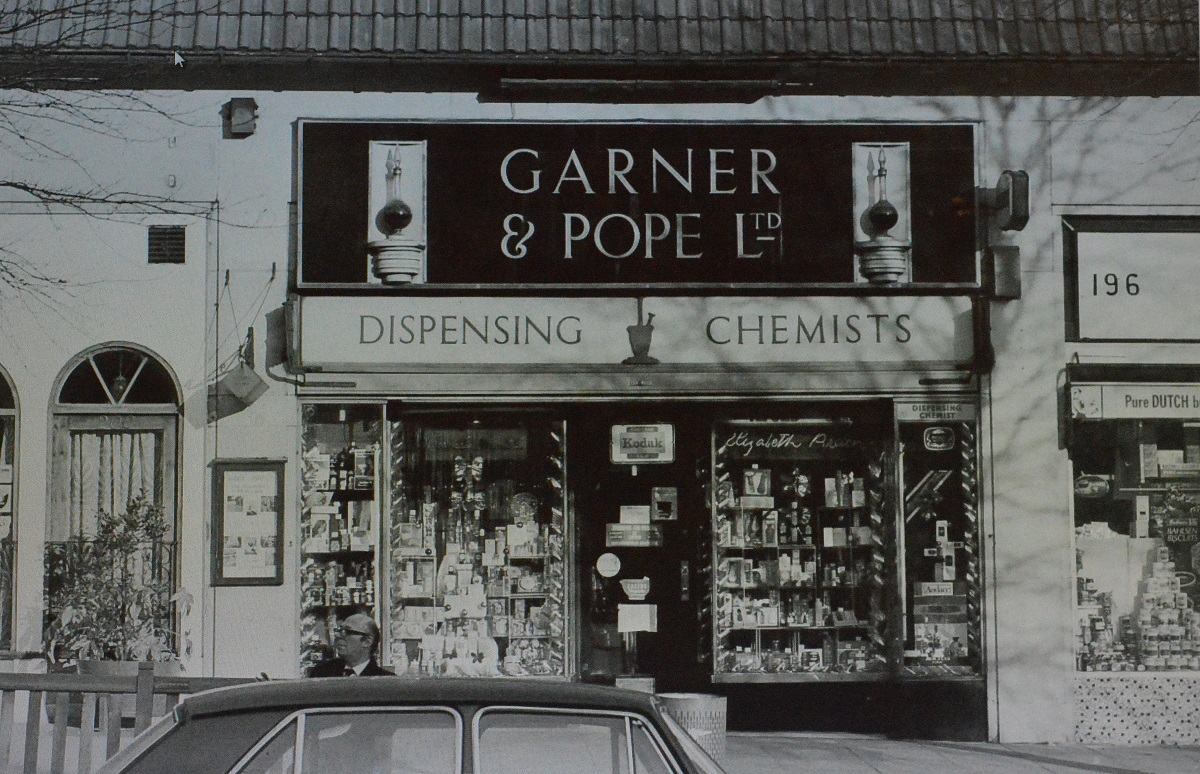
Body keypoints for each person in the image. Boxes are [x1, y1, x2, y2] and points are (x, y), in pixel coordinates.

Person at [307, 612, 394, 676]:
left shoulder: (385, 681)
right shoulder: (322, 673)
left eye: (347, 632)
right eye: (339, 631)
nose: (338, 636)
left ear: (367, 641)